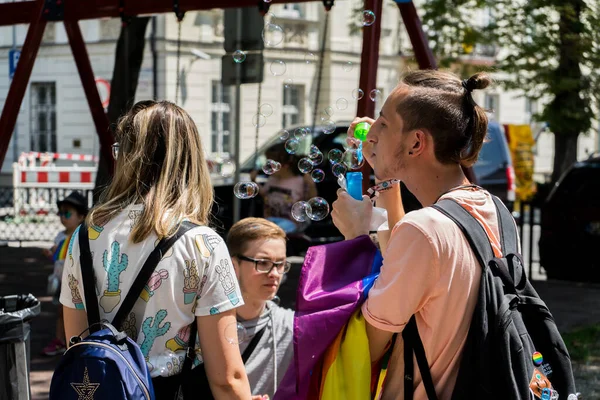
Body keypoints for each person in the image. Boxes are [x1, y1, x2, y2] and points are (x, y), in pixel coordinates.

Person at [60, 100, 253, 399]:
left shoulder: (85, 235)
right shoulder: (203, 244)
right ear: (190, 160)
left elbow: (79, 344)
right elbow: (227, 378)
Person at [332, 70, 501, 399]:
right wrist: (384, 174)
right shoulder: (492, 210)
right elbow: (412, 265)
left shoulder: (424, 230)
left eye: (383, 123)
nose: (372, 132)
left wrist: (354, 241)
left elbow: (364, 347)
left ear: (416, 143)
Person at [226, 217, 294, 400]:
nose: (274, 274)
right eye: (263, 263)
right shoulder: (206, 325)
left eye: (280, 264)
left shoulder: (291, 326)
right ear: (233, 266)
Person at [41, 191, 88, 356]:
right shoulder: (61, 236)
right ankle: (61, 340)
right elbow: (58, 256)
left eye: (67, 213)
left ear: (81, 216)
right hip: (60, 280)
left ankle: (69, 341)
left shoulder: (83, 235)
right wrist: (51, 254)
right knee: (60, 311)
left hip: (75, 281)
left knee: (70, 311)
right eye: (61, 213)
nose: (63, 217)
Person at [251, 143, 317, 234]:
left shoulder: (299, 181)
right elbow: (264, 194)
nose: (267, 167)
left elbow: (311, 199)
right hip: (270, 219)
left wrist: (311, 185)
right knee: (253, 229)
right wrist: (254, 181)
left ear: (285, 165)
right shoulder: (272, 179)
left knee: (273, 231)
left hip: (291, 222)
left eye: (270, 164)